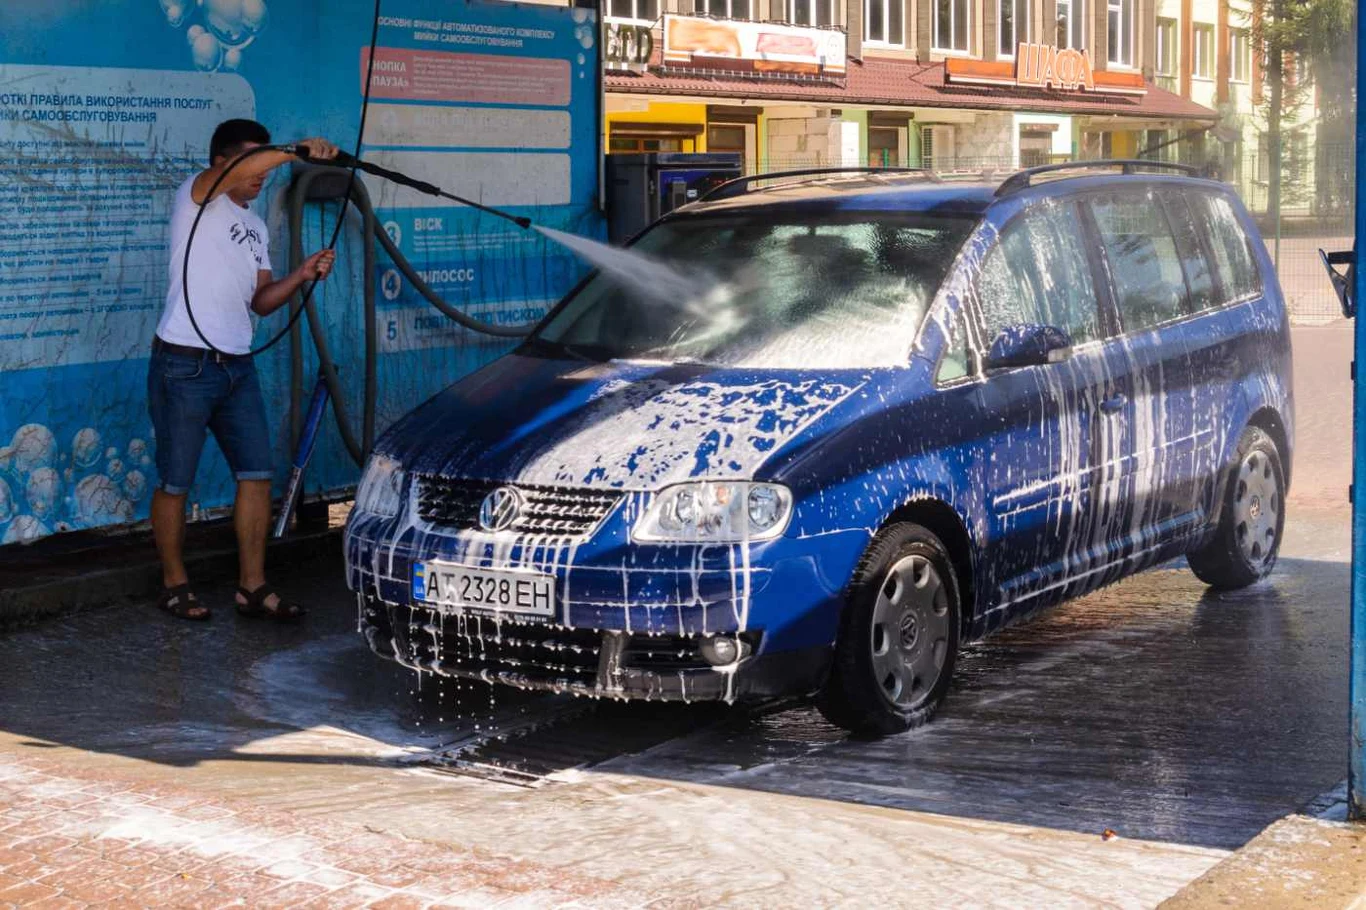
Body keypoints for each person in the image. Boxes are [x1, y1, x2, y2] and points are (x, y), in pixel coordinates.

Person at [148, 118, 339, 621]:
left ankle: (251, 587)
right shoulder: (196, 195)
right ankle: (174, 585)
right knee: (175, 481)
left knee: (256, 475)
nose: (262, 175)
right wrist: (293, 150)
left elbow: (261, 301)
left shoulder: (254, 227)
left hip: (237, 367)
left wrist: (301, 274)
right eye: (253, 162)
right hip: (183, 363)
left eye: (266, 163)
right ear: (220, 164)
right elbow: (249, 167)